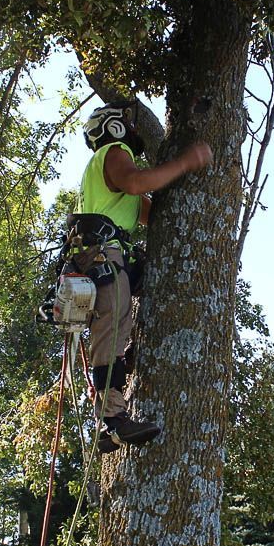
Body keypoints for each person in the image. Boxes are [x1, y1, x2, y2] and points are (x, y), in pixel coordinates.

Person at [70, 101, 212, 453]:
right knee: (112, 324)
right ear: (113, 128)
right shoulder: (113, 152)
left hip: (109, 253)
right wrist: (183, 163)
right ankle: (113, 420)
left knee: (119, 323)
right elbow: (137, 183)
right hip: (102, 253)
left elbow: (149, 210)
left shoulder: (109, 176)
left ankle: (118, 390)